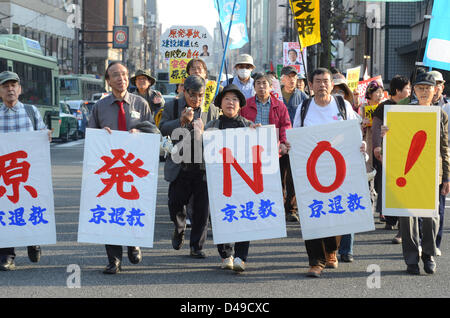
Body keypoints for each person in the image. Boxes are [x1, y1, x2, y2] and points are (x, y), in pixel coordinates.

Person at [88, 61, 159, 274]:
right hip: (110, 170)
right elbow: (91, 138)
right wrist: (103, 135)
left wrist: (141, 134)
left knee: (133, 207)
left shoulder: (140, 104)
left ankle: (133, 243)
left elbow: (153, 132)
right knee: (111, 211)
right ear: (108, 81)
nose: (122, 78)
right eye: (116, 75)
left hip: (134, 169)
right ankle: (114, 260)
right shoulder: (100, 107)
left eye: (124, 74)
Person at [292, 68, 363, 277]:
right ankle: (316, 261)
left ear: (332, 85)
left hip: (339, 169)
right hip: (311, 169)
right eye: (318, 81)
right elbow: (296, 135)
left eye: (326, 81)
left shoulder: (343, 105)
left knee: (335, 210)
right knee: (312, 213)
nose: (322, 85)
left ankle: (332, 249)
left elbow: (354, 132)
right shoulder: (304, 107)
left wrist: (359, 148)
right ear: (310, 85)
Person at [382, 72, 450, 275]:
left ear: (435, 90)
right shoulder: (402, 111)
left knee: (431, 216)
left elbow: (445, 147)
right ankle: (411, 259)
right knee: (407, 217)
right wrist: (386, 133)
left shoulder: (440, 115)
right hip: (407, 172)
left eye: (427, 88)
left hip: (431, 173)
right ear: (414, 91)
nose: (423, 92)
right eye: (419, 88)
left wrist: (446, 176)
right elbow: (394, 144)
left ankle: (428, 255)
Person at [159, 75, 220, 258]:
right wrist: (181, 122)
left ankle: (196, 247)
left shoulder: (211, 110)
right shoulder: (171, 106)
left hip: (202, 167)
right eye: (192, 95)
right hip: (180, 165)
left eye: (200, 95)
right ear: (183, 91)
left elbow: (218, 132)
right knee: (175, 203)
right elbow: (162, 128)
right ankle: (179, 228)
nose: (196, 99)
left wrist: (205, 132)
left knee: (202, 210)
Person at [0, 71, 52, 271]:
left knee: (30, 206)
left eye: (14, 85)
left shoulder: (31, 111)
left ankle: (33, 241)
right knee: (4, 210)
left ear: (20, 89)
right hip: (4, 175)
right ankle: (7, 255)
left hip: (27, 174)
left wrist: (45, 135)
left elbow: (42, 133)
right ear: (0, 91)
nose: (10, 89)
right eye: (5, 86)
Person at [202, 84, 256, 272]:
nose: (230, 102)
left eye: (234, 99)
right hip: (219, 181)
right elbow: (202, 152)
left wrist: (258, 134)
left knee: (243, 215)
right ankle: (226, 255)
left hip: (242, 181)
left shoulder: (248, 125)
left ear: (240, 104)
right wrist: (203, 136)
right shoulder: (212, 126)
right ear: (220, 104)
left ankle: (241, 257)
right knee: (220, 216)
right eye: (227, 99)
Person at [240, 73, 293, 223]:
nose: (261, 86)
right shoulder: (245, 105)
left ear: (271, 87)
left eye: (265, 83)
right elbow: (241, 124)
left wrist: (283, 142)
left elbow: (286, 125)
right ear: (254, 86)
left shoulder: (279, 106)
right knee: (253, 181)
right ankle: (255, 210)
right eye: (258, 83)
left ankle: (275, 213)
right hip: (252, 150)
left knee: (275, 182)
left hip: (274, 150)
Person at [372, 75, 411, 244]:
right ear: (398, 91)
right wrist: (377, 147)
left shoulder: (412, 106)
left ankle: (402, 226)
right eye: (407, 88)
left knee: (403, 188)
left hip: (407, 154)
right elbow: (376, 128)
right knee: (387, 185)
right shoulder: (384, 107)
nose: (409, 91)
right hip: (387, 153)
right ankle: (389, 218)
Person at [430, 70, 449, 256]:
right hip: (416, 166)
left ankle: (435, 243)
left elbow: (445, 144)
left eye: (437, 84)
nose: (433, 88)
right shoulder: (412, 107)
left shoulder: (447, 109)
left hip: (439, 165)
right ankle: (419, 242)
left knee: (439, 207)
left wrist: (447, 175)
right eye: (429, 84)